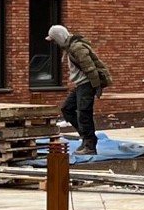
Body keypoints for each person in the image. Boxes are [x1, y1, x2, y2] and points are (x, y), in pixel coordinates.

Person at [45, 24, 110, 156]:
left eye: (54, 40)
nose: (54, 44)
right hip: (80, 85)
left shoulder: (77, 47)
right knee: (67, 109)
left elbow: (89, 67)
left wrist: (97, 87)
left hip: (86, 84)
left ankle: (90, 145)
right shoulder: (69, 48)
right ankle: (87, 137)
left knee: (84, 113)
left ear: (59, 37)